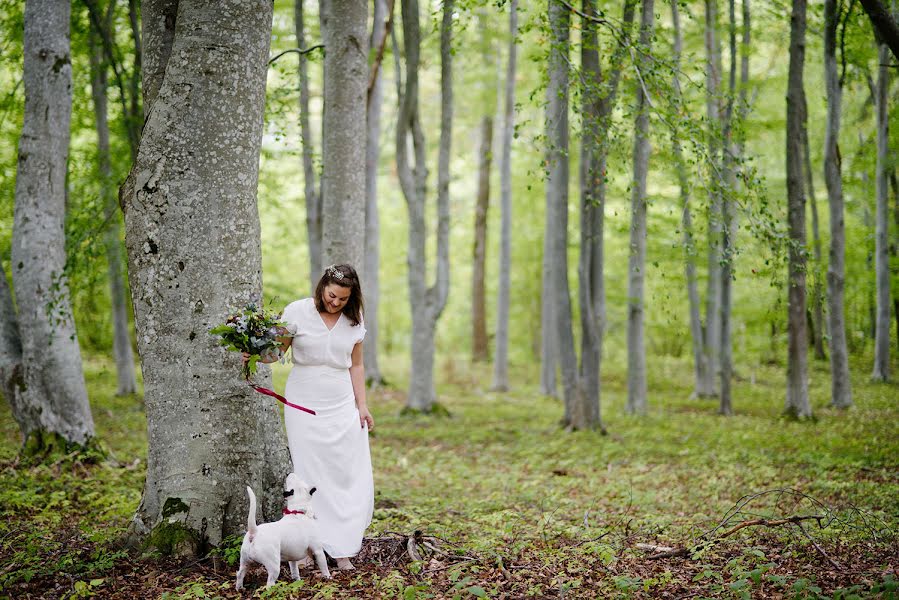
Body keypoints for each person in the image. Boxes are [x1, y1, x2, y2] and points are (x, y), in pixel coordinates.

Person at [255, 264, 374, 570]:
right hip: (304, 399)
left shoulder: (354, 319)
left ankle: (342, 546)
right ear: (322, 287)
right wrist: (253, 352)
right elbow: (275, 353)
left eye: (343, 299)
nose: (336, 303)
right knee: (309, 473)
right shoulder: (297, 311)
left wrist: (362, 405)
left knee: (342, 472)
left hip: (341, 400)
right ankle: (309, 547)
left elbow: (356, 366)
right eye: (332, 295)